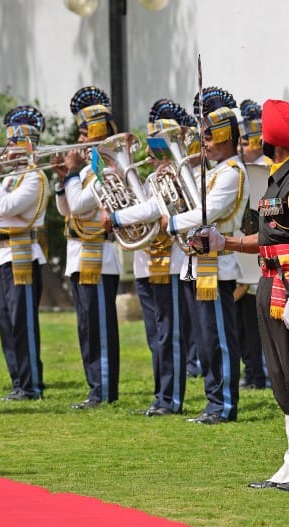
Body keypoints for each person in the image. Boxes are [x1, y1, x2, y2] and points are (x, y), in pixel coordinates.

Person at [198, 99, 289, 490]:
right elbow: (271, 240)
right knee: (280, 375)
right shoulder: (276, 179)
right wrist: (228, 243)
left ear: (272, 139)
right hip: (271, 282)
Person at [113, 86, 249, 424]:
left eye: (209, 136)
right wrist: (123, 216)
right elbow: (172, 203)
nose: (204, 142)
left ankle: (224, 405)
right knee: (204, 341)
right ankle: (213, 402)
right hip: (196, 262)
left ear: (224, 137)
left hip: (217, 264)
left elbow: (207, 211)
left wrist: (170, 221)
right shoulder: (212, 171)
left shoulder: (232, 172)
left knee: (218, 339)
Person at [54, 86, 123, 409]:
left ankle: (104, 388)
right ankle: (94, 386)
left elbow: (80, 204)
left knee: (100, 326)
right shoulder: (84, 170)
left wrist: (69, 176)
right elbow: (65, 211)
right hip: (79, 256)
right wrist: (61, 181)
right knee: (86, 326)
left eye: (83, 133)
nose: (79, 140)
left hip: (99, 257)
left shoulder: (104, 168)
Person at [0, 105, 52, 402]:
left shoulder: (34, 177)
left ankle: (31, 383)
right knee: (7, 325)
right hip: (2, 256)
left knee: (23, 324)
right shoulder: (8, 179)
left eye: (13, 145)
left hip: (24, 255)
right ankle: (18, 381)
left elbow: (7, 207)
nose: (7, 151)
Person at [127, 99, 196, 415]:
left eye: (157, 147)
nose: (148, 155)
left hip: (171, 264)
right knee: (155, 335)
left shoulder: (181, 176)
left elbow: (154, 208)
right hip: (145, 262)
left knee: (171, 334)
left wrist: (118, 217)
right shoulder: (151, 178)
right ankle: (161, 395)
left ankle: (173, 398)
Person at [237, 98, 270, 391]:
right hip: (244, 250)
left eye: (246, 141)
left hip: (266, 252)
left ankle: (266, 372)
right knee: (246, 321)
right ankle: (253, 371)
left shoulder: (268, 170)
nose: (241, 147)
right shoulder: (238, 170)